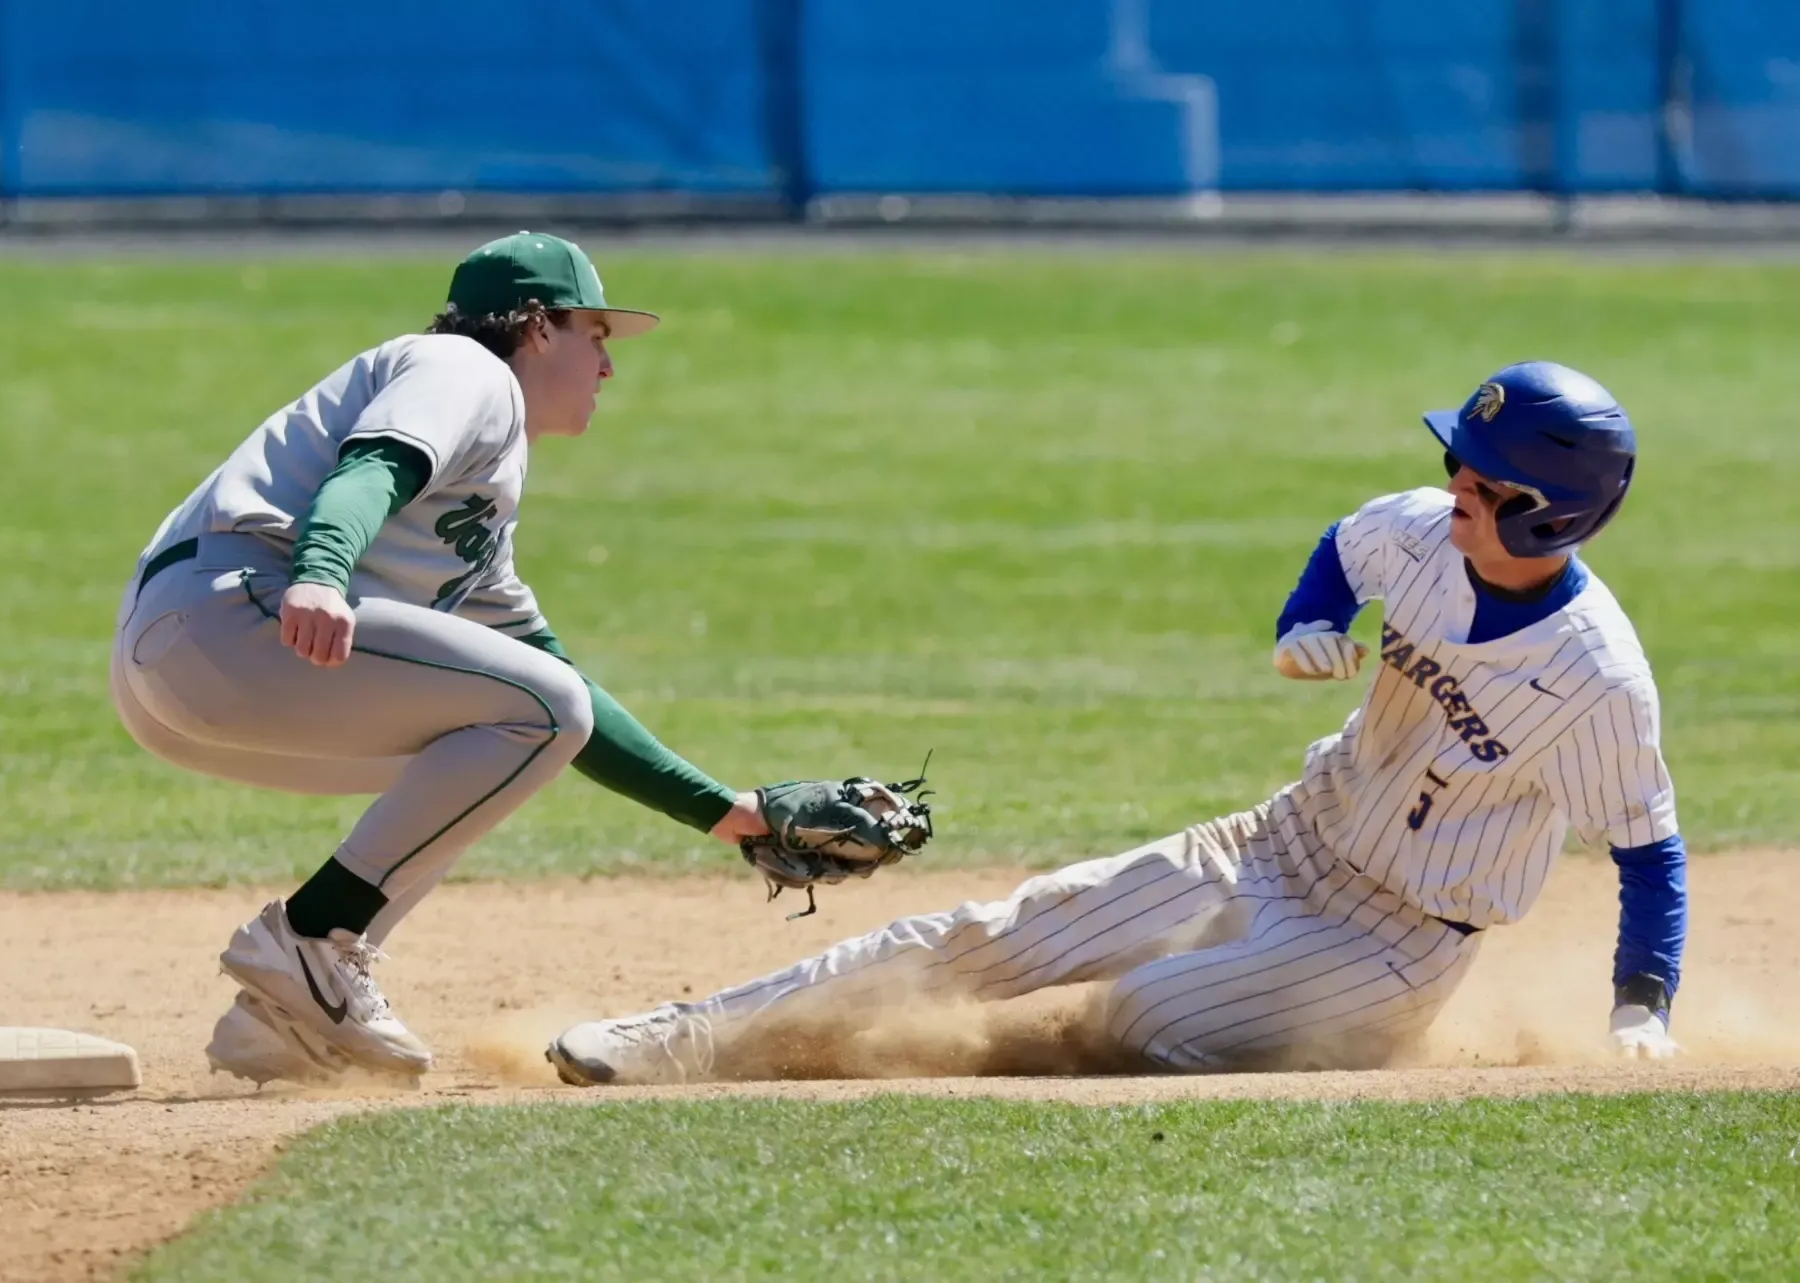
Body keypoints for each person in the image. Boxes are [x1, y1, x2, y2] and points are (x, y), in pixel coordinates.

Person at [546, 361, 1688, 1085]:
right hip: (1281, 838)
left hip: (1389, 944)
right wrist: (1307, 624)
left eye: (1482, 484)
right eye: (1454, 462)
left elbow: (1648, 854)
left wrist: (1637, 1012)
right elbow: (1344, 551)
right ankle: (685, 1034)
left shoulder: (1593, 680)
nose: (1451, 488)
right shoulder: (1419, 530)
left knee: (1138, 1019)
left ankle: (932, 1057)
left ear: (1552, 516)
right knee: (997, 931)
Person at [109, 231, 771, 1084]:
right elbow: (371, 466)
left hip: (189, 670)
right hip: (237, 611)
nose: (607, 366)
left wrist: (724, 812)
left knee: (507, 738)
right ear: (536, 327)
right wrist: (319, 573)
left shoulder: (484, 489)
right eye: (594, 335)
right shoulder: (466, 370)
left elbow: (560, 688)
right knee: (535, 716)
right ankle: (314, 939)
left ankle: (286, 1019)